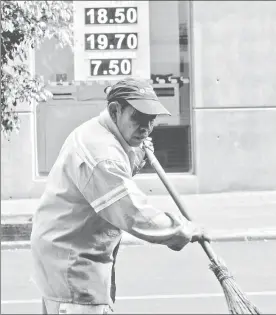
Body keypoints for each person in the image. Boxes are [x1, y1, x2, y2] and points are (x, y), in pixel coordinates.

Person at [30, 77, 210, 314]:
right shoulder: (103, 154)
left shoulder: (99, 132)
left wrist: (134, 157)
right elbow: (134, 214)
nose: (145, 128)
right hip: (73, 266)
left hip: (62, 255)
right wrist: (184, 229)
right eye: (138, 118)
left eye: (151, 120)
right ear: (116, 110)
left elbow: (104, 185)